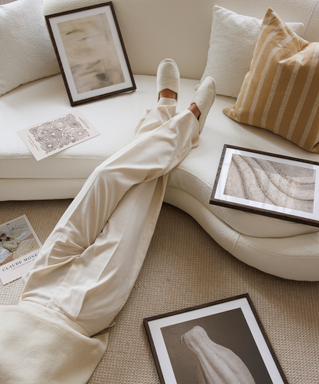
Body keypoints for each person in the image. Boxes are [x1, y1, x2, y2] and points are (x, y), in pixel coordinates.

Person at [0, 59, 216, 383]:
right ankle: (187, 116)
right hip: (80, 314)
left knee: (106, 175)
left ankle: (165, 115)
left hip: (34, 291)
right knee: (138, 195)